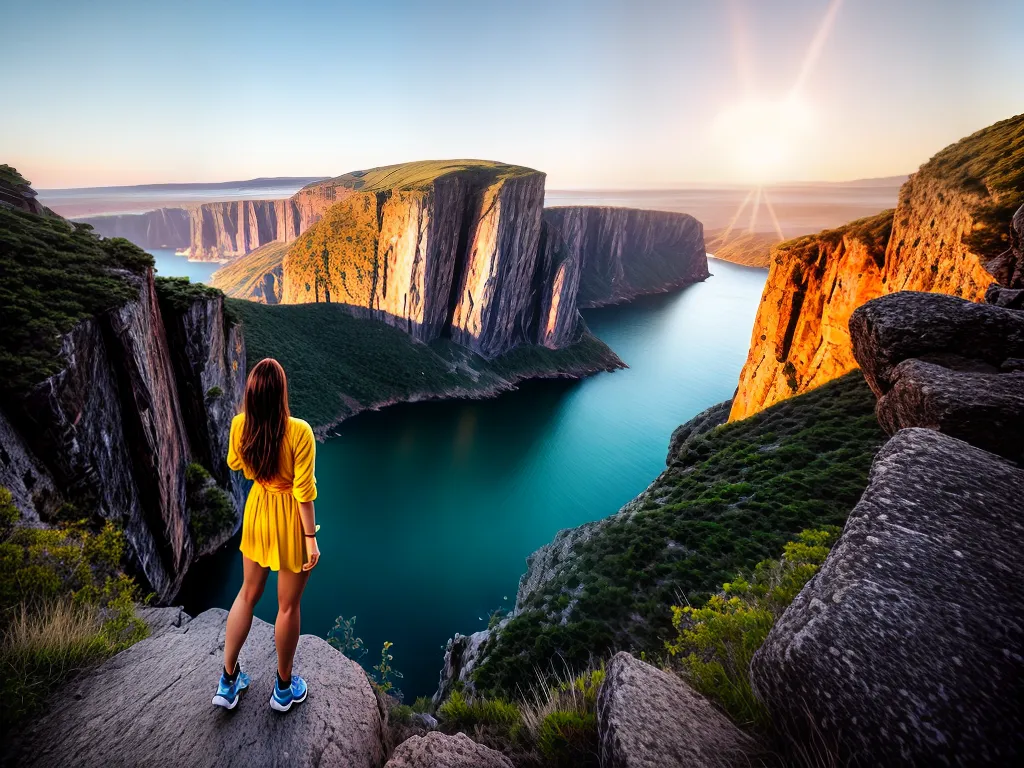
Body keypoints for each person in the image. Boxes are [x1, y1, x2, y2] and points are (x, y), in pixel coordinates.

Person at [212, 358, 321, 712]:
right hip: (289, 517)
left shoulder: (240, 425)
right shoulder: (300, 432)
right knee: (287, 606)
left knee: (247, 593)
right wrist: (310, 539)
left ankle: (228, 682)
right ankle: (284, 689)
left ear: (252, 396)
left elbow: (234, 463)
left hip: (258, 511)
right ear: (281, 394)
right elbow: (304, 493)